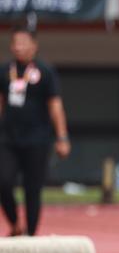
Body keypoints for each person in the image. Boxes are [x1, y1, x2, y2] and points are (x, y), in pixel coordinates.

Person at [0, 27, 70, 236]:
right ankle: (14, 222)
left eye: (23, 42)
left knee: (33, 189)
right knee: (3, 181)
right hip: (8, 138)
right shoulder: (4, 71)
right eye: (15, 43)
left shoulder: (45, 72)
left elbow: (55, 106)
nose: (19, 47)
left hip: (37, 139)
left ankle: (31, 234)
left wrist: (62, 137)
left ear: (34, 45)